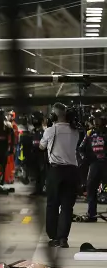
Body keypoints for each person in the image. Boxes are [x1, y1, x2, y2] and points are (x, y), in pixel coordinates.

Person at [40, 103, 80, 248]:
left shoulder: (50, 131)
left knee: (52, 204)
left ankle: (54, 237)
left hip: (56, 171)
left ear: (53, 115)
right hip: (72, 171)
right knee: (67, 207)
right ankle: (63, 238)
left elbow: (41, 146)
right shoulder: (75, 131)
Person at [77, 108, 107, 222]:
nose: (97, 121)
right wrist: (86, 159)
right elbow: (81, 149)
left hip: (105, 163)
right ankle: (92, 214)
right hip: (94, 164)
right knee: (91, 188)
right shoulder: (89, 133)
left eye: (99, 119)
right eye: (95, 119)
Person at [22, 111, 47, 196]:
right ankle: (37, 189)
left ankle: (43, 189)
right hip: (34, 155)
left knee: (42, 173)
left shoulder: (44, 131)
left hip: (42, 155)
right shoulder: (32, 132)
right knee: (36, 174)